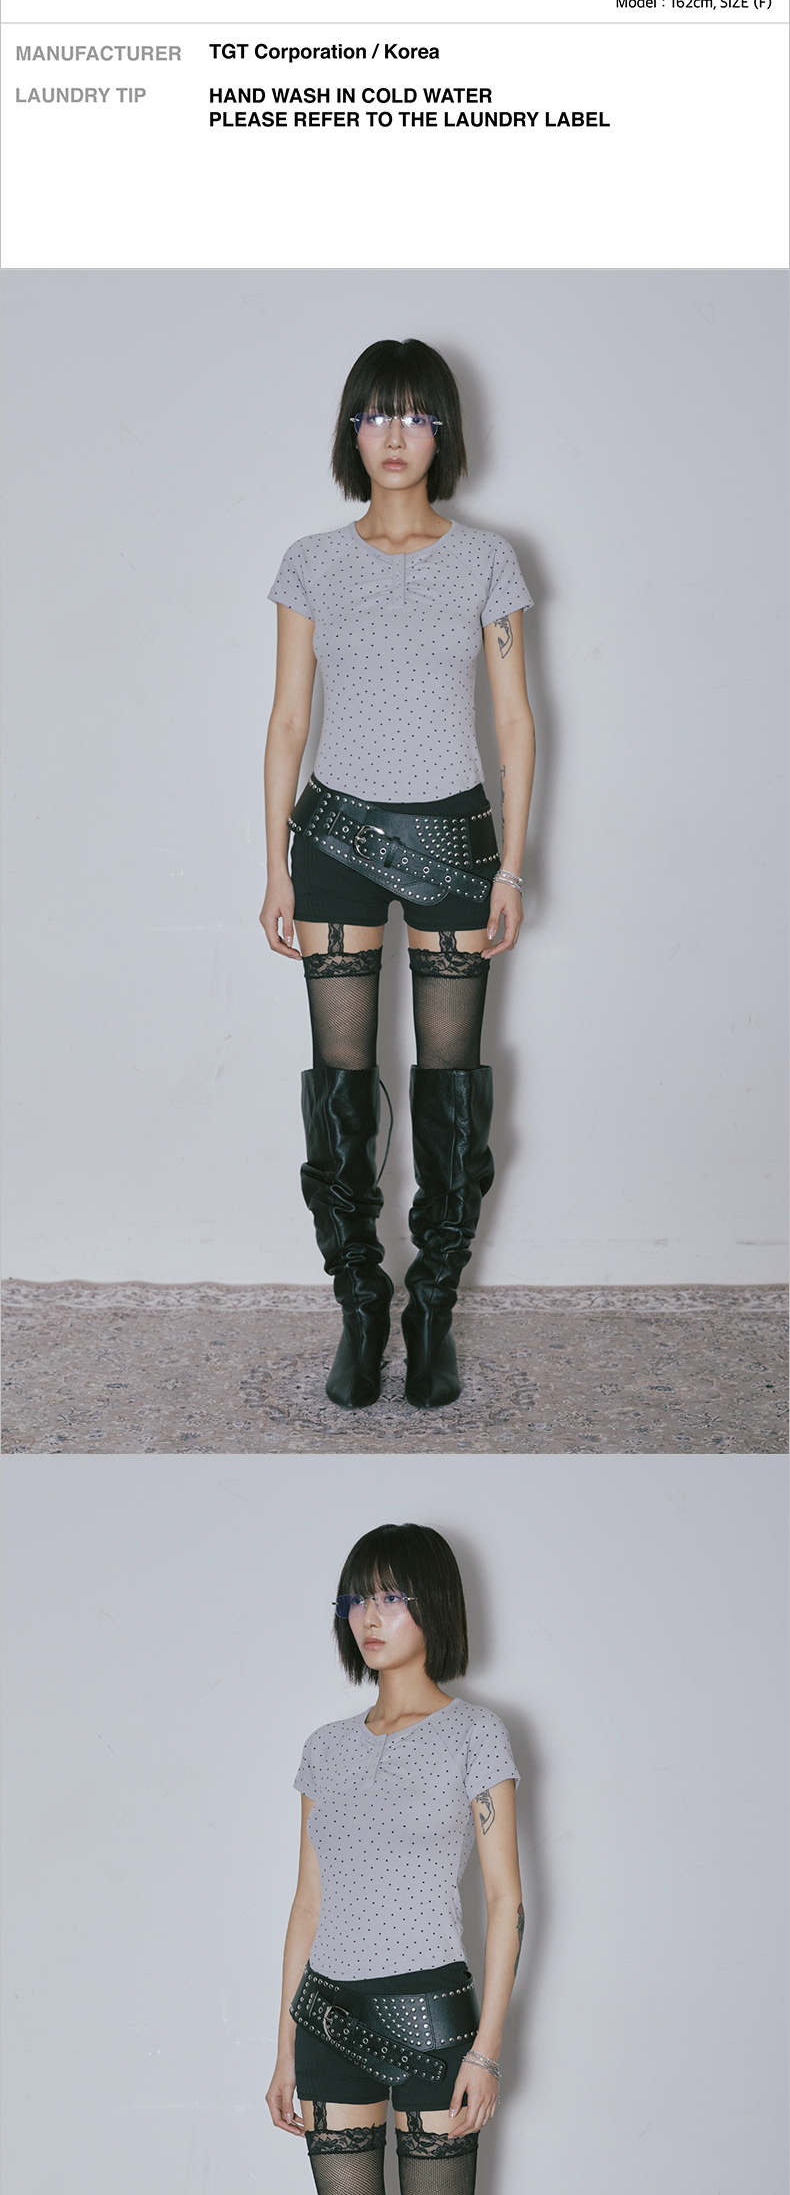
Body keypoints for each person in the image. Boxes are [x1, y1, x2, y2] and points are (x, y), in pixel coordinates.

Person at [261, 330, 536, 1414]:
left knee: (451, 1084)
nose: (394, 434)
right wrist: (275, 867)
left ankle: (432, 1313)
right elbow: (288, 719)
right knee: (339, 1081)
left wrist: (512, 870)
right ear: (351, 429)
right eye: (376, 412)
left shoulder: (487, 561)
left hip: (455, 841)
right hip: (332, 835)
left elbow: (514, 721)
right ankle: (359, 1306)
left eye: (417, 414)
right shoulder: (310, 561)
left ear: (443, 434)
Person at [266, 1528, 522, 2195]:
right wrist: (284, 2044)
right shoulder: (325, 1747)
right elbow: (307, 1903)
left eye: (391, 1598)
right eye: (355, 1599)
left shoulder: (474, 1733)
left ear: (432, 1609)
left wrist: (486, 2051)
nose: (370, 1617)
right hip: (328, 2020)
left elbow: (505, 1900)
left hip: (430, 2021)